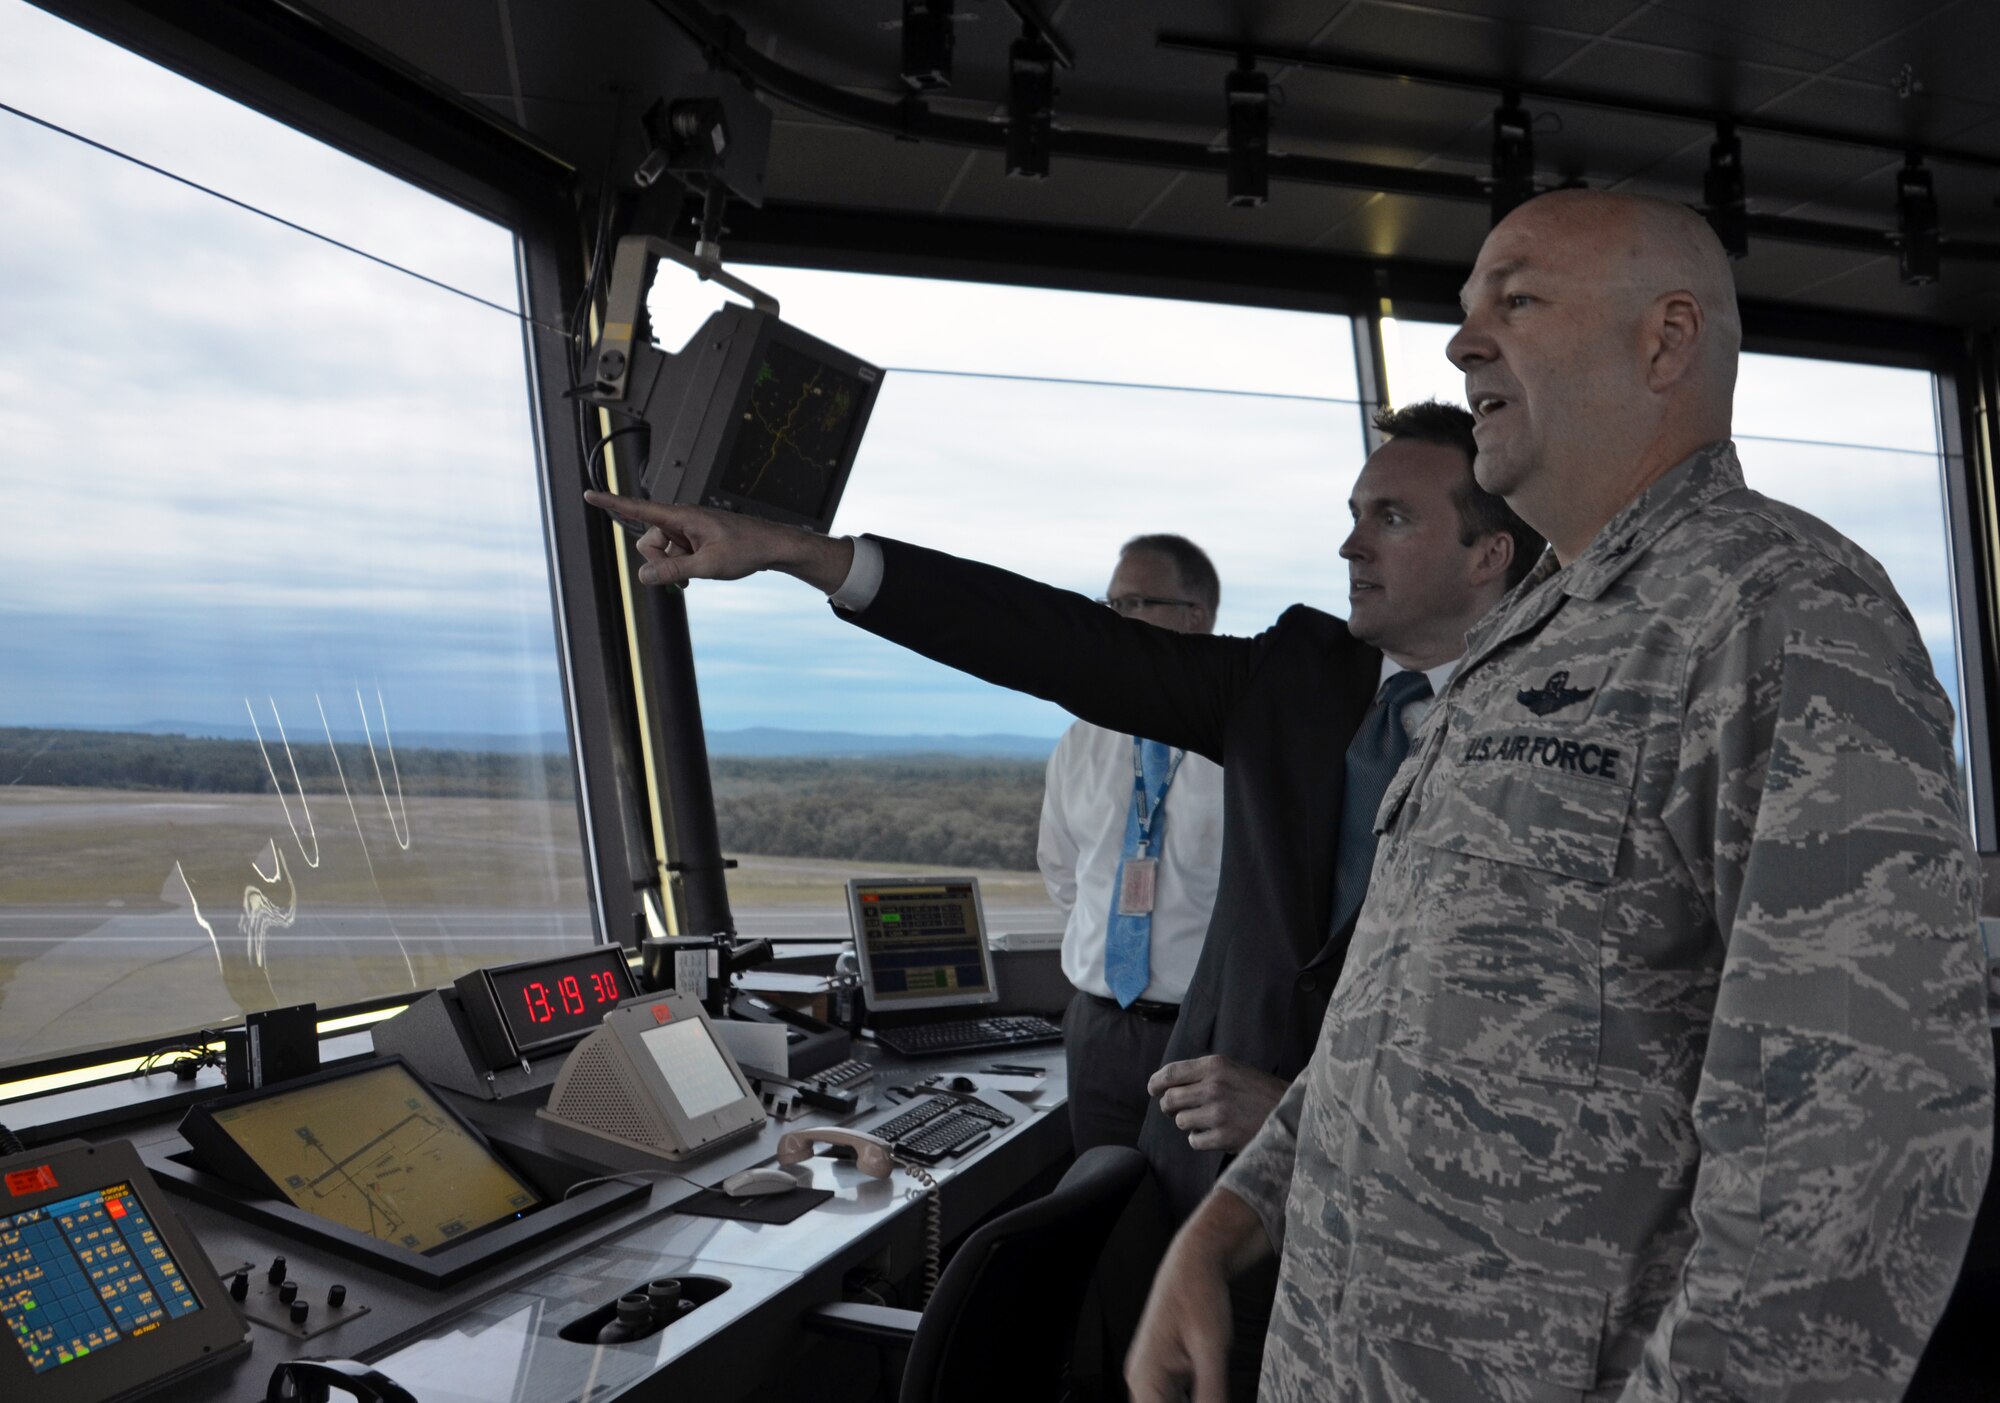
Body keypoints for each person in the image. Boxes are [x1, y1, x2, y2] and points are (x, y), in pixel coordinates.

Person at [1122, 189, 1995, 1403]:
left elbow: (1856, 1157)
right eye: (1466, 309)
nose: (1461, 340)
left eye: (1515, 300)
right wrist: (1223, 1228)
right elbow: (1407, 1019)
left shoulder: (1782, 616)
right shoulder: (1524, 639)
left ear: (1664, 340)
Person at [587, 402, 1542, 1398]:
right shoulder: (1292, 675)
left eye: (1389, 516)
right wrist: (804, 554)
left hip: (1419, 1222)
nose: (1348, 542)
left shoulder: (1568, 728)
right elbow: (1050, 639)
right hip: (1209, 1159)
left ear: (1486, 555)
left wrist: (1316, 1112)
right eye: (1352, 510)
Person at [1040, 533, 1227, 1154]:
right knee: (1101, 1216)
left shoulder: (1246, 739)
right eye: (1110, 604)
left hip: (1209, 1037)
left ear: (1195, 617)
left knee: (1194, 1233)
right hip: (1097, 1028)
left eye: (1135, 604)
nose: (1114, 622)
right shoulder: (1083, 738)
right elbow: (1064, 873)